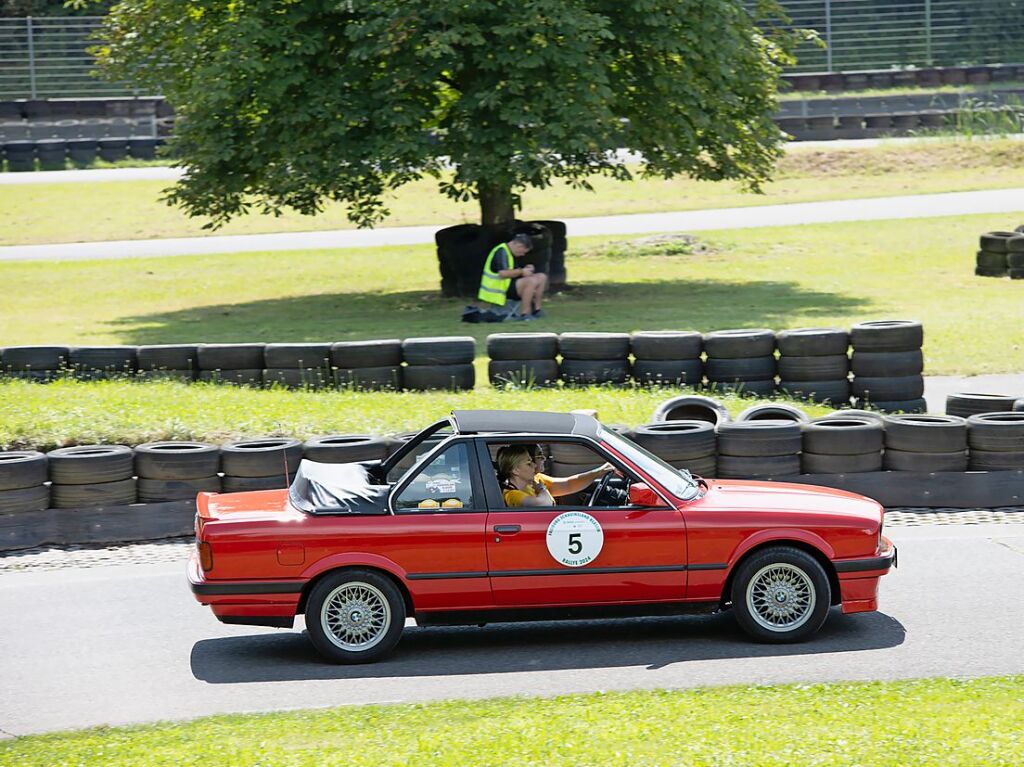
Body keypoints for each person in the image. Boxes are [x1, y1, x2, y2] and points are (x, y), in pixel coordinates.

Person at [496, 444, 618, 507]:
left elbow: (569, 484)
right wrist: (542, 489)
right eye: (529, 463)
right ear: (516, 470)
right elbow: (544, 504)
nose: (534, 465)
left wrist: (599, 471)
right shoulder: (512, 495)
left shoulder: (536, 480)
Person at [477, 233, 547, 320]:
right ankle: (525, 314)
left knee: (541, 277)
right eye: (523, 252)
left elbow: (513, 270)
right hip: (498, 290)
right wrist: (522, 271)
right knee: (531, 281)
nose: (523, 255)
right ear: (519, 246)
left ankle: (537, 310)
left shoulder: (510, 253)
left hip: (507, 285)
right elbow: (503, 274)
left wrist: (526, 269)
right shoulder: (501, 251)